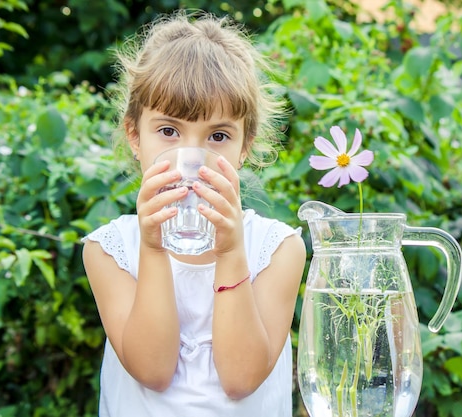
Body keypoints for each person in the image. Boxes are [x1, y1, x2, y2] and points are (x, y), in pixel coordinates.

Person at [82, 10, 307, 417]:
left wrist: (231, 250)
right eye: (169, 131)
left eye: (218, 136)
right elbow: (152, 370)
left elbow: (241, 379)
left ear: (244, 148)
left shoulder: (277, 250)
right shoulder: (109, 250)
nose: (193, 160)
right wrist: (152, 249)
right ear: (135, 136)